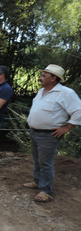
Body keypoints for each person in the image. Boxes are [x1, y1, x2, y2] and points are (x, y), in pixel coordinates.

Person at [23, 64, 81, 202]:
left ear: (54, 78)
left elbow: (78, 111)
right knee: (37, 160)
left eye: (44, 75)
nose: (40, 77)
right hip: (35, 132)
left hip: (48, 135)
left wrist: (67, 128)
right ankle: (37, 182)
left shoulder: (66, 93)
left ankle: (45, 190)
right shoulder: (41, 92)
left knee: (45, 163)